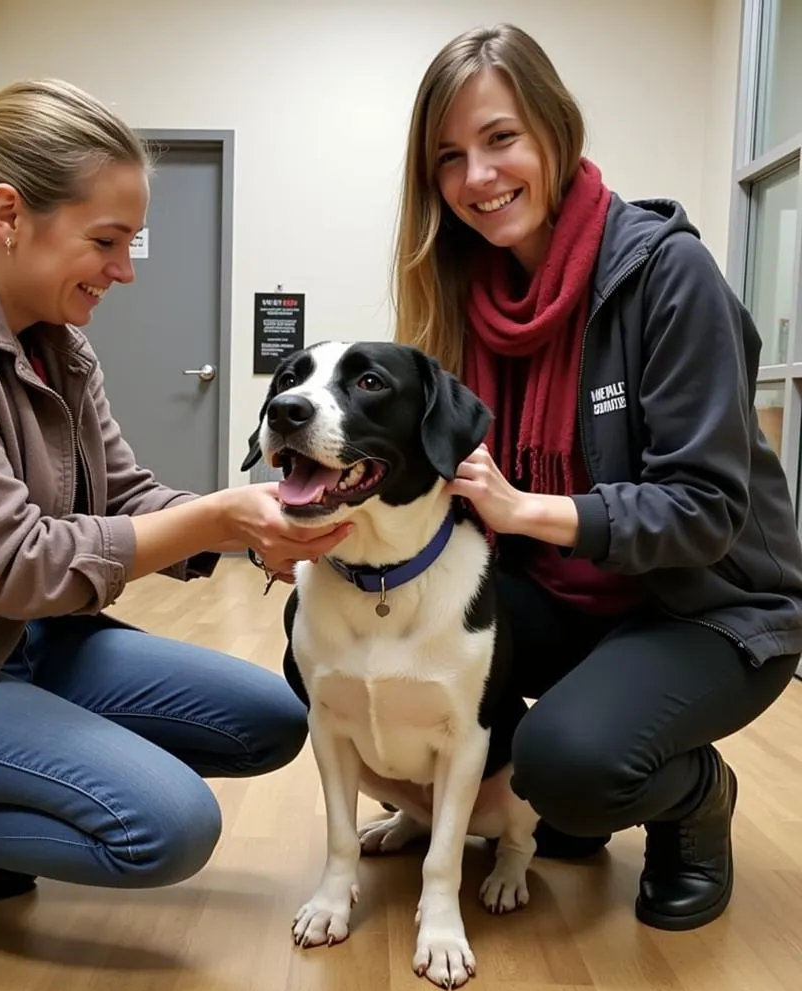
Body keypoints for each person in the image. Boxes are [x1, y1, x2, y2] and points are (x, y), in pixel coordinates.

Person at [0, 78, 354, 960]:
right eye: (107, 241)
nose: (124, 270)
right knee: (166, 828)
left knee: (274, 718)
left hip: (7, 639)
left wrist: (255, 523)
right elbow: (17, 564)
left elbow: (121, 496)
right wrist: (219, 523)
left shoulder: (56, 342)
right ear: (8, 214)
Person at [280, 23, 802, 932]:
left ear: (557, 131)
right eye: (450, 156)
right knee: (321, 627)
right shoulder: (459, 292)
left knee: (571, 768)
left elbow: (709, 509)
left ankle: (692, 800)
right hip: (557, 591)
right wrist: (325, 523)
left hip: (702, 605)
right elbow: (430, 474)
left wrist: (528, 508)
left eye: (501, 139)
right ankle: (530, 795)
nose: (478, 177)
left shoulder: (670, 276)